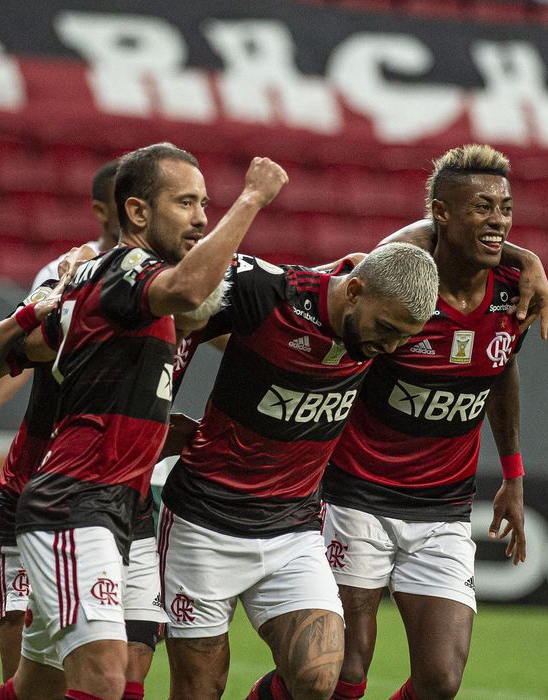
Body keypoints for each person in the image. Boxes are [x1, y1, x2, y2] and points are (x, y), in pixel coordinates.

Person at [0, 142, 288, 700]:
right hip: (71, 501)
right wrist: (251, 199)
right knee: (102, 679)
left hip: (126, 510)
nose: (202, 218)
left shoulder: (135, 302)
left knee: (60, 684)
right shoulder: (126, 270)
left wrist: (156, 432)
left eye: (206, 203)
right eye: (186, 203)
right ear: (136, 213)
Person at [157, 243, 440, 700]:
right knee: (198, 690)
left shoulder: (376, 309)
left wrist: (524, 261)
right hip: (203, 523)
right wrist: (151, 417)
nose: (389, 347)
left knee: (317, 677)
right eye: (386, 329)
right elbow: (175, 304)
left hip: (293, 528)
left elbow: (438, 233)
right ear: (353, 291)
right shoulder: (266, 293)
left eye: (402, 338)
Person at [317, 144, 529, 700]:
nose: (498, 220)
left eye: (505, 208)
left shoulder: (514, 294)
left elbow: (502, 371)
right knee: (347, 670)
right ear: (442, 213)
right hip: (357, 493)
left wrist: (513, 474)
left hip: (443, 506)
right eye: (482, 207)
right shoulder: (402, 293)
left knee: (440, 681)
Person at [0, 161, 124, 685]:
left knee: (117, 675)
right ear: (105, 209)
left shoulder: (172, 285)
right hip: (44, 483)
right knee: (31, 681)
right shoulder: (66, 273)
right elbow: (23, 355)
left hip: (115, 495)